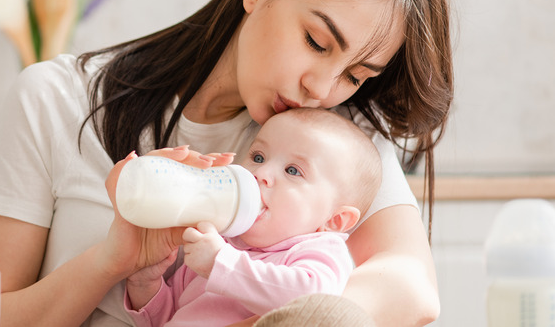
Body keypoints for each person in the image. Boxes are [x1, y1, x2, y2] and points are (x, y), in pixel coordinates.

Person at [0, 0, 453, 327]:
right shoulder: (55, 99)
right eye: (316, 41)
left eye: (355, 76)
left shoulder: (334, 140)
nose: (320, 89)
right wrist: (111, 261)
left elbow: (411, 290)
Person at [123, 108, 383, 326]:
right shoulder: (220, 241)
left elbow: (313, 302)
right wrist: (145, 284)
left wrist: (221, 265)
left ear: (333, 221)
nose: (262, 172)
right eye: (258, 157)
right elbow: (169, 318)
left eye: (293, 170)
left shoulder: (316, 251)